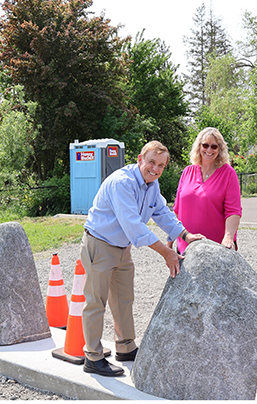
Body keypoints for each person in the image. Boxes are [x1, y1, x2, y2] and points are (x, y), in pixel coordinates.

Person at [80, 140, 204, 377]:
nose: (155, 169)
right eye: (151, 162)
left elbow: (161, 212)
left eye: (161, 165)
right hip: (100, 243)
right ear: (140, 159)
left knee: (124, 299)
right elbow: (134, 226)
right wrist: (166, 252)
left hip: (121, 247)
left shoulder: (151, 185)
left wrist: (184, 234)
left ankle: (125, 348)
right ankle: (93, 357)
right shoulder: (122, 183)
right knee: (96, 301)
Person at [171, 127, 242, 253]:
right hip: (186, 247)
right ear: (199, 146)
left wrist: (228, 237)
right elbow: (177, 210)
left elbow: (233, 211)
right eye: (205, 145)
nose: (209, 150)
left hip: (218, 247)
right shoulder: (188, 171)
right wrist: (169, 241)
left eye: (214, 146)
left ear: (220, 149)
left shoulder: (228, 174)